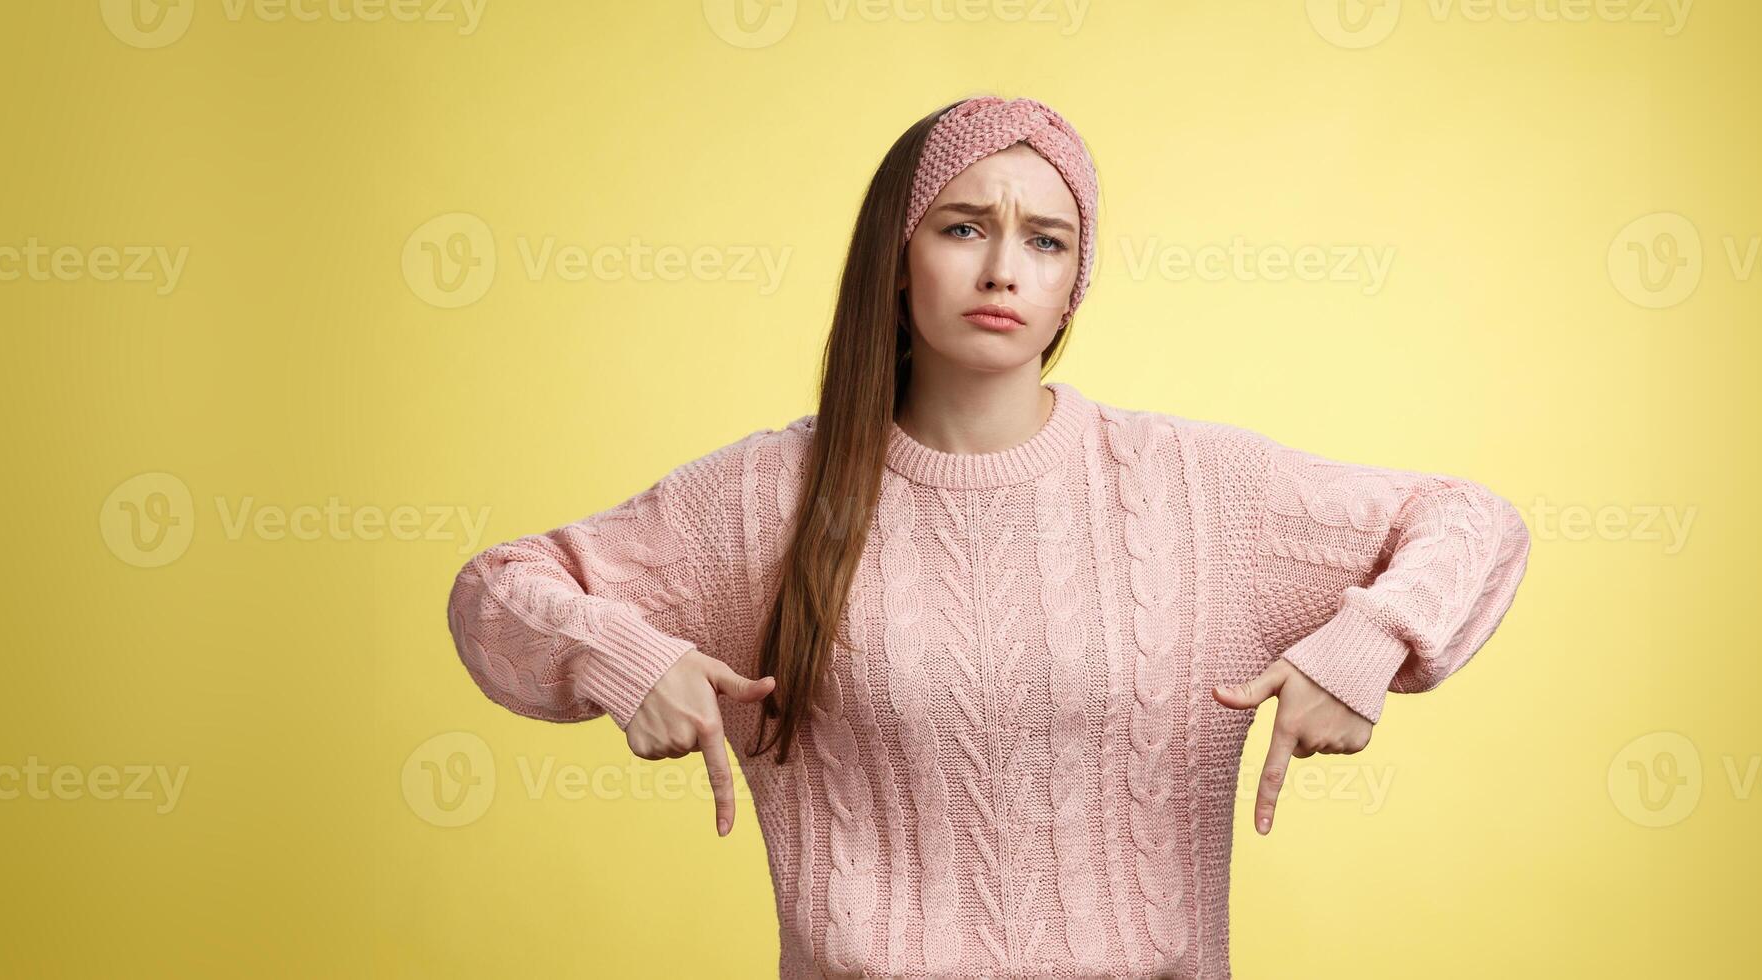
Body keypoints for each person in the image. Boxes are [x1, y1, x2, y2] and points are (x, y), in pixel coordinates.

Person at [444, 95, 1532, 978]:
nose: (1003, 268)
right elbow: (496, 588)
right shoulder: (769, 496)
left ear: (1072, 288)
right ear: (896, 254)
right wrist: (623, 657)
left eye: (1044, 240)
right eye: (963, 226)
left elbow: (1468, 520)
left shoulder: (1195, 489)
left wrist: (1369, 641)